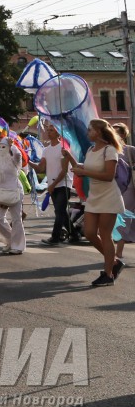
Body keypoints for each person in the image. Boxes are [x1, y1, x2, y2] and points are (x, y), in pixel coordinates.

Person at [64, 119, 125, 286]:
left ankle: (108, 274)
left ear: (98, 132)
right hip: (94, 197)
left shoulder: (109, 150)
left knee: (105, 235)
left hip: (109, 197)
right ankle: (114, 262)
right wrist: (70, 157)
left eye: (90, 130)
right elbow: (83, 169)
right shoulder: (90, 150)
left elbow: (108, 176)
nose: (87, 133)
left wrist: (85, 173)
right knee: (89, 233)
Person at [29, 122, 73, 245]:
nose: (48, 132)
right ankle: (74, 234)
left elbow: (64, 171)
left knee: (59, 211)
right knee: (61, 212)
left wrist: (53, 185)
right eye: (48, 130)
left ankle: (55, 238)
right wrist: (28, 161)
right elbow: (40, 168)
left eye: (51, 130)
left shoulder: (63, 149)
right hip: (52, 185)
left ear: (58, 133)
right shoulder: (46, 150)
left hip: (63, 184)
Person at [0, 137, 26, 254]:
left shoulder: (14, 160)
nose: (1, 148)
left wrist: (12, 145)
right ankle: (11, 240)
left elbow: (18, 155)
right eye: (0, 146)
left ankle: (18, 246)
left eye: (4, 146)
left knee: (16, 219)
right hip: (1, 192)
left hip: (15, 190)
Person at [112, 123, 135, 279]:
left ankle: (118, 253)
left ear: (123, 135)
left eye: (116, 132)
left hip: (128, 190)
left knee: (124, 219)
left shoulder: (130, 150)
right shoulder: (109, 150)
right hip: (113, 190)